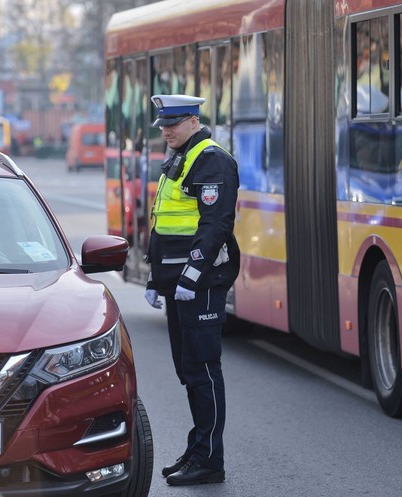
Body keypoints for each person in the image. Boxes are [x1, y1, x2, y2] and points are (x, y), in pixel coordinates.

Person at [143, 94, 240, 486]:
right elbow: (164, 222)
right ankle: (198, 449)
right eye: (163, 125)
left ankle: (210, 460)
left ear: (193, 121)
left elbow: (216, 224)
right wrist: (154, 277)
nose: (166, 130)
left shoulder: (211, 159)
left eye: (173, 123)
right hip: (176, 285)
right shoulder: (180, 157)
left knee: (203, 371)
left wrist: (192, 274)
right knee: (189, 371)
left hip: (199, 285)